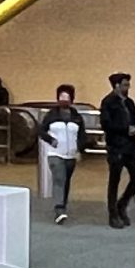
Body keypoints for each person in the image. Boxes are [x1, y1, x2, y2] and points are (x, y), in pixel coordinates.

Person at [100, 72, 135, 229]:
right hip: (116, 147)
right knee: (114, 181)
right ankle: (113, 214)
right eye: (125, 84)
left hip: (131, 146)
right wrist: (126, 129)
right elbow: (106, 124)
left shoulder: (130, 103)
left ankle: (122, 204)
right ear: (116, 86)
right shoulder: (108, 103)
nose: (128, 87)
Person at [38, 85, 84, 225]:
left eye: (67, 97)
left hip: (70, 155)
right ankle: (59, 208)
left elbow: (82, 135)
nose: (64, 99)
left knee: (66, 180)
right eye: (61, 96)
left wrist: (79, 149)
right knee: (59, 178)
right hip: (55, 153)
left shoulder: (76, 117)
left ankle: (63, 204)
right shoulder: (51, 115)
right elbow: (41, 130)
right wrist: (51, 140)